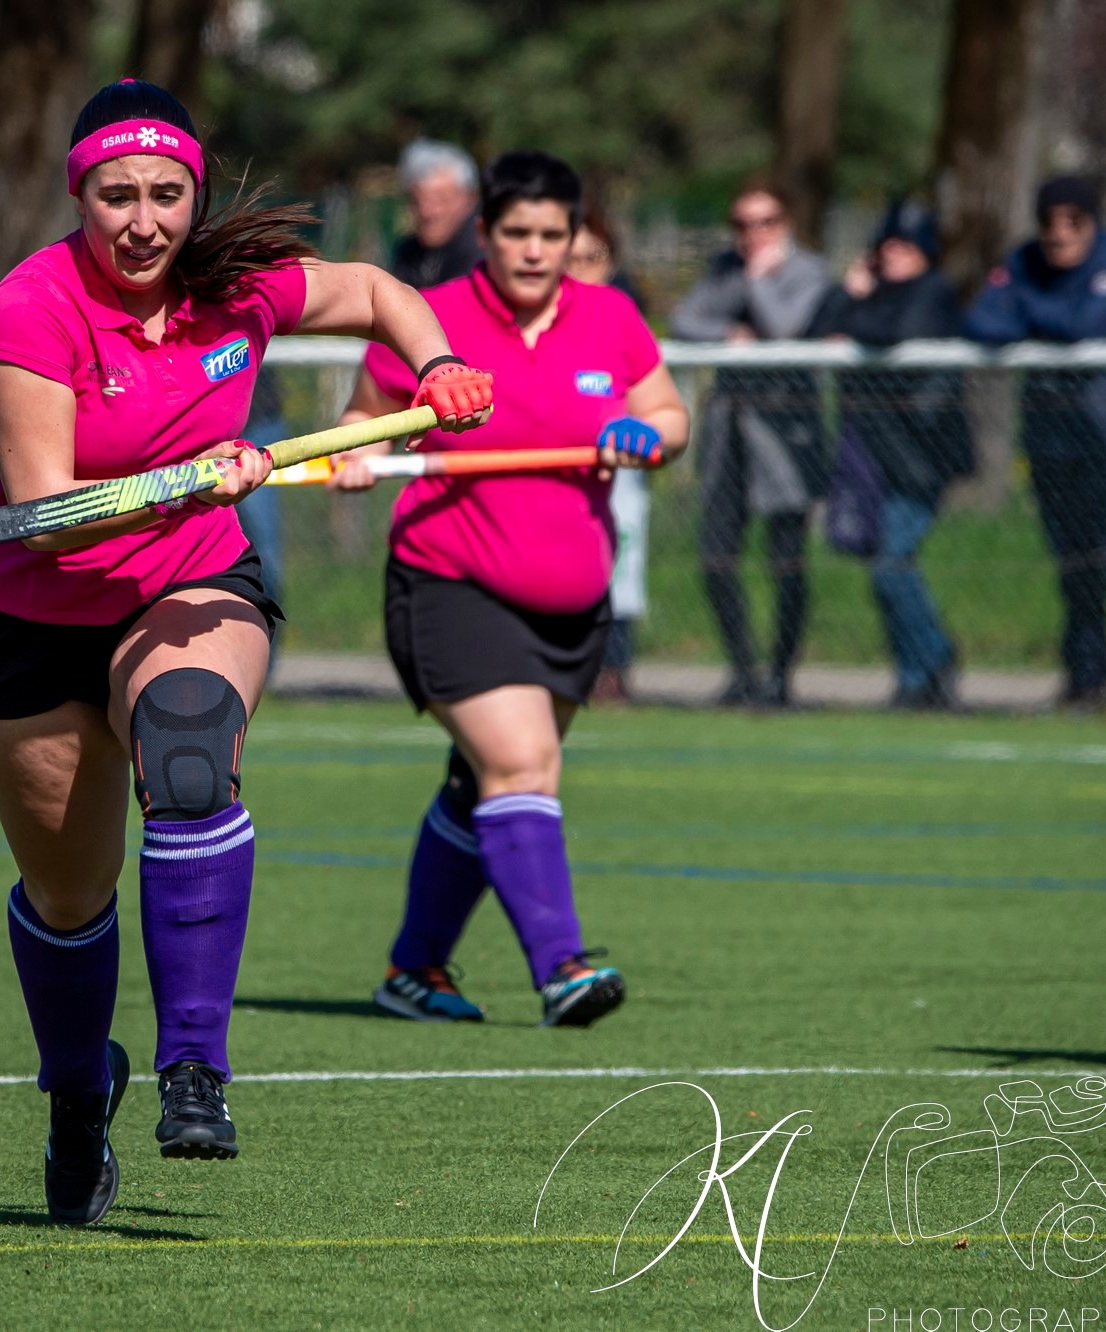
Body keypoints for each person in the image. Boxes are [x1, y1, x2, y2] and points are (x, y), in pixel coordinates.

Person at [0, 79, 492, 1226]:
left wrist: (432, 366)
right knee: (68, 894)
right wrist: (184, 477)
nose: (143, 221)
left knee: (188, 751)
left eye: (166, 194)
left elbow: (385, 291)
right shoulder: (32, 304)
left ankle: (196, 1069)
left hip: (184, 581)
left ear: (193, 195)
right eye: (116, 194)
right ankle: (77, 1093)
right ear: (78, 194)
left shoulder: (235, 286)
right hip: (25, 609)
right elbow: (42, 506)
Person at [329, 151, 687, 1028]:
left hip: (573, 604)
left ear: (576, 238)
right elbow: (359, 416)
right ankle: (562, 967)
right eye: (517, 232)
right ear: (484, 233)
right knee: (522, 765)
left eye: (552, 235)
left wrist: (648, 435)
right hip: (450, 581)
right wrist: (352, 449)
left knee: (482, 782)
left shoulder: (611, 318)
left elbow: (670, 415)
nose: (534, 251)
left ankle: (413, 971)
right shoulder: (435, 319)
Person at [965, 177, 1106, 709]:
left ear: (1091, 222)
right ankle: (1088, 675)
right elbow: (981, 321)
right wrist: (1035, 313)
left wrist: (1024, 310)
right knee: (1074, 567)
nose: (1059, 233)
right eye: (1050, 222)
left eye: (1072, 222)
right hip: (1052, 441)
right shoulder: (1026, 261)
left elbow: (1084, 327)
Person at [671, 180, 832, 706]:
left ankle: (782, 676)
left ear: (783, 224)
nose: (752, 235)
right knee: (716, 554)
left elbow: (786, 329)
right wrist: (729, 335)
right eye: (742, 225)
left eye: (764, 223)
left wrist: (759, 281)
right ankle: (743, 670)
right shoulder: (723, 267)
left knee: (787, 560)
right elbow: (684, 321)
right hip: (729, 430)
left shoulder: (809, 272)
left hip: (786, 437)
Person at [809, 200, 971, 709]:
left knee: (891, 562)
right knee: (884, 569)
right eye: (887, 246)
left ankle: (935, 660)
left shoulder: (933, 292)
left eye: (905, 245)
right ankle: (915, 677)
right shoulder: (875, 294)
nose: (894, 254)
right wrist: (849, 289)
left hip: (922, 459)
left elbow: (895, 334)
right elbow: (820, 327)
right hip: (878, 457)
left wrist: (854, 313)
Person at [568, 211, 649, 702]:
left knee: (617, 568)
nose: (579, 269)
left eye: (591, 258)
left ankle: (613, 670)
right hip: (554, 473)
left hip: (613, 473)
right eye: (570, 258)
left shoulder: (621, 320)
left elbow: (655, 406)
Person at [389, 139, 484, 290]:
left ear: (469, 198)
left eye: (440, 199)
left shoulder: (482, 256)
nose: (427, 211)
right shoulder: (408, 254)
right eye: (417, 200)